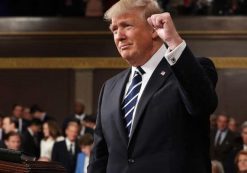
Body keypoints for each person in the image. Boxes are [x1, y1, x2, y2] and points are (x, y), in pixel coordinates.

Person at [88, 0, 218, 173]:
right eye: (114, 30)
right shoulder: (109, 88)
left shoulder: (192, 69)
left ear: (154, 30)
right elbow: (100, 156)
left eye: (126, 26)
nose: (119, 36)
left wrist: (174, 42)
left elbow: (203, 105)